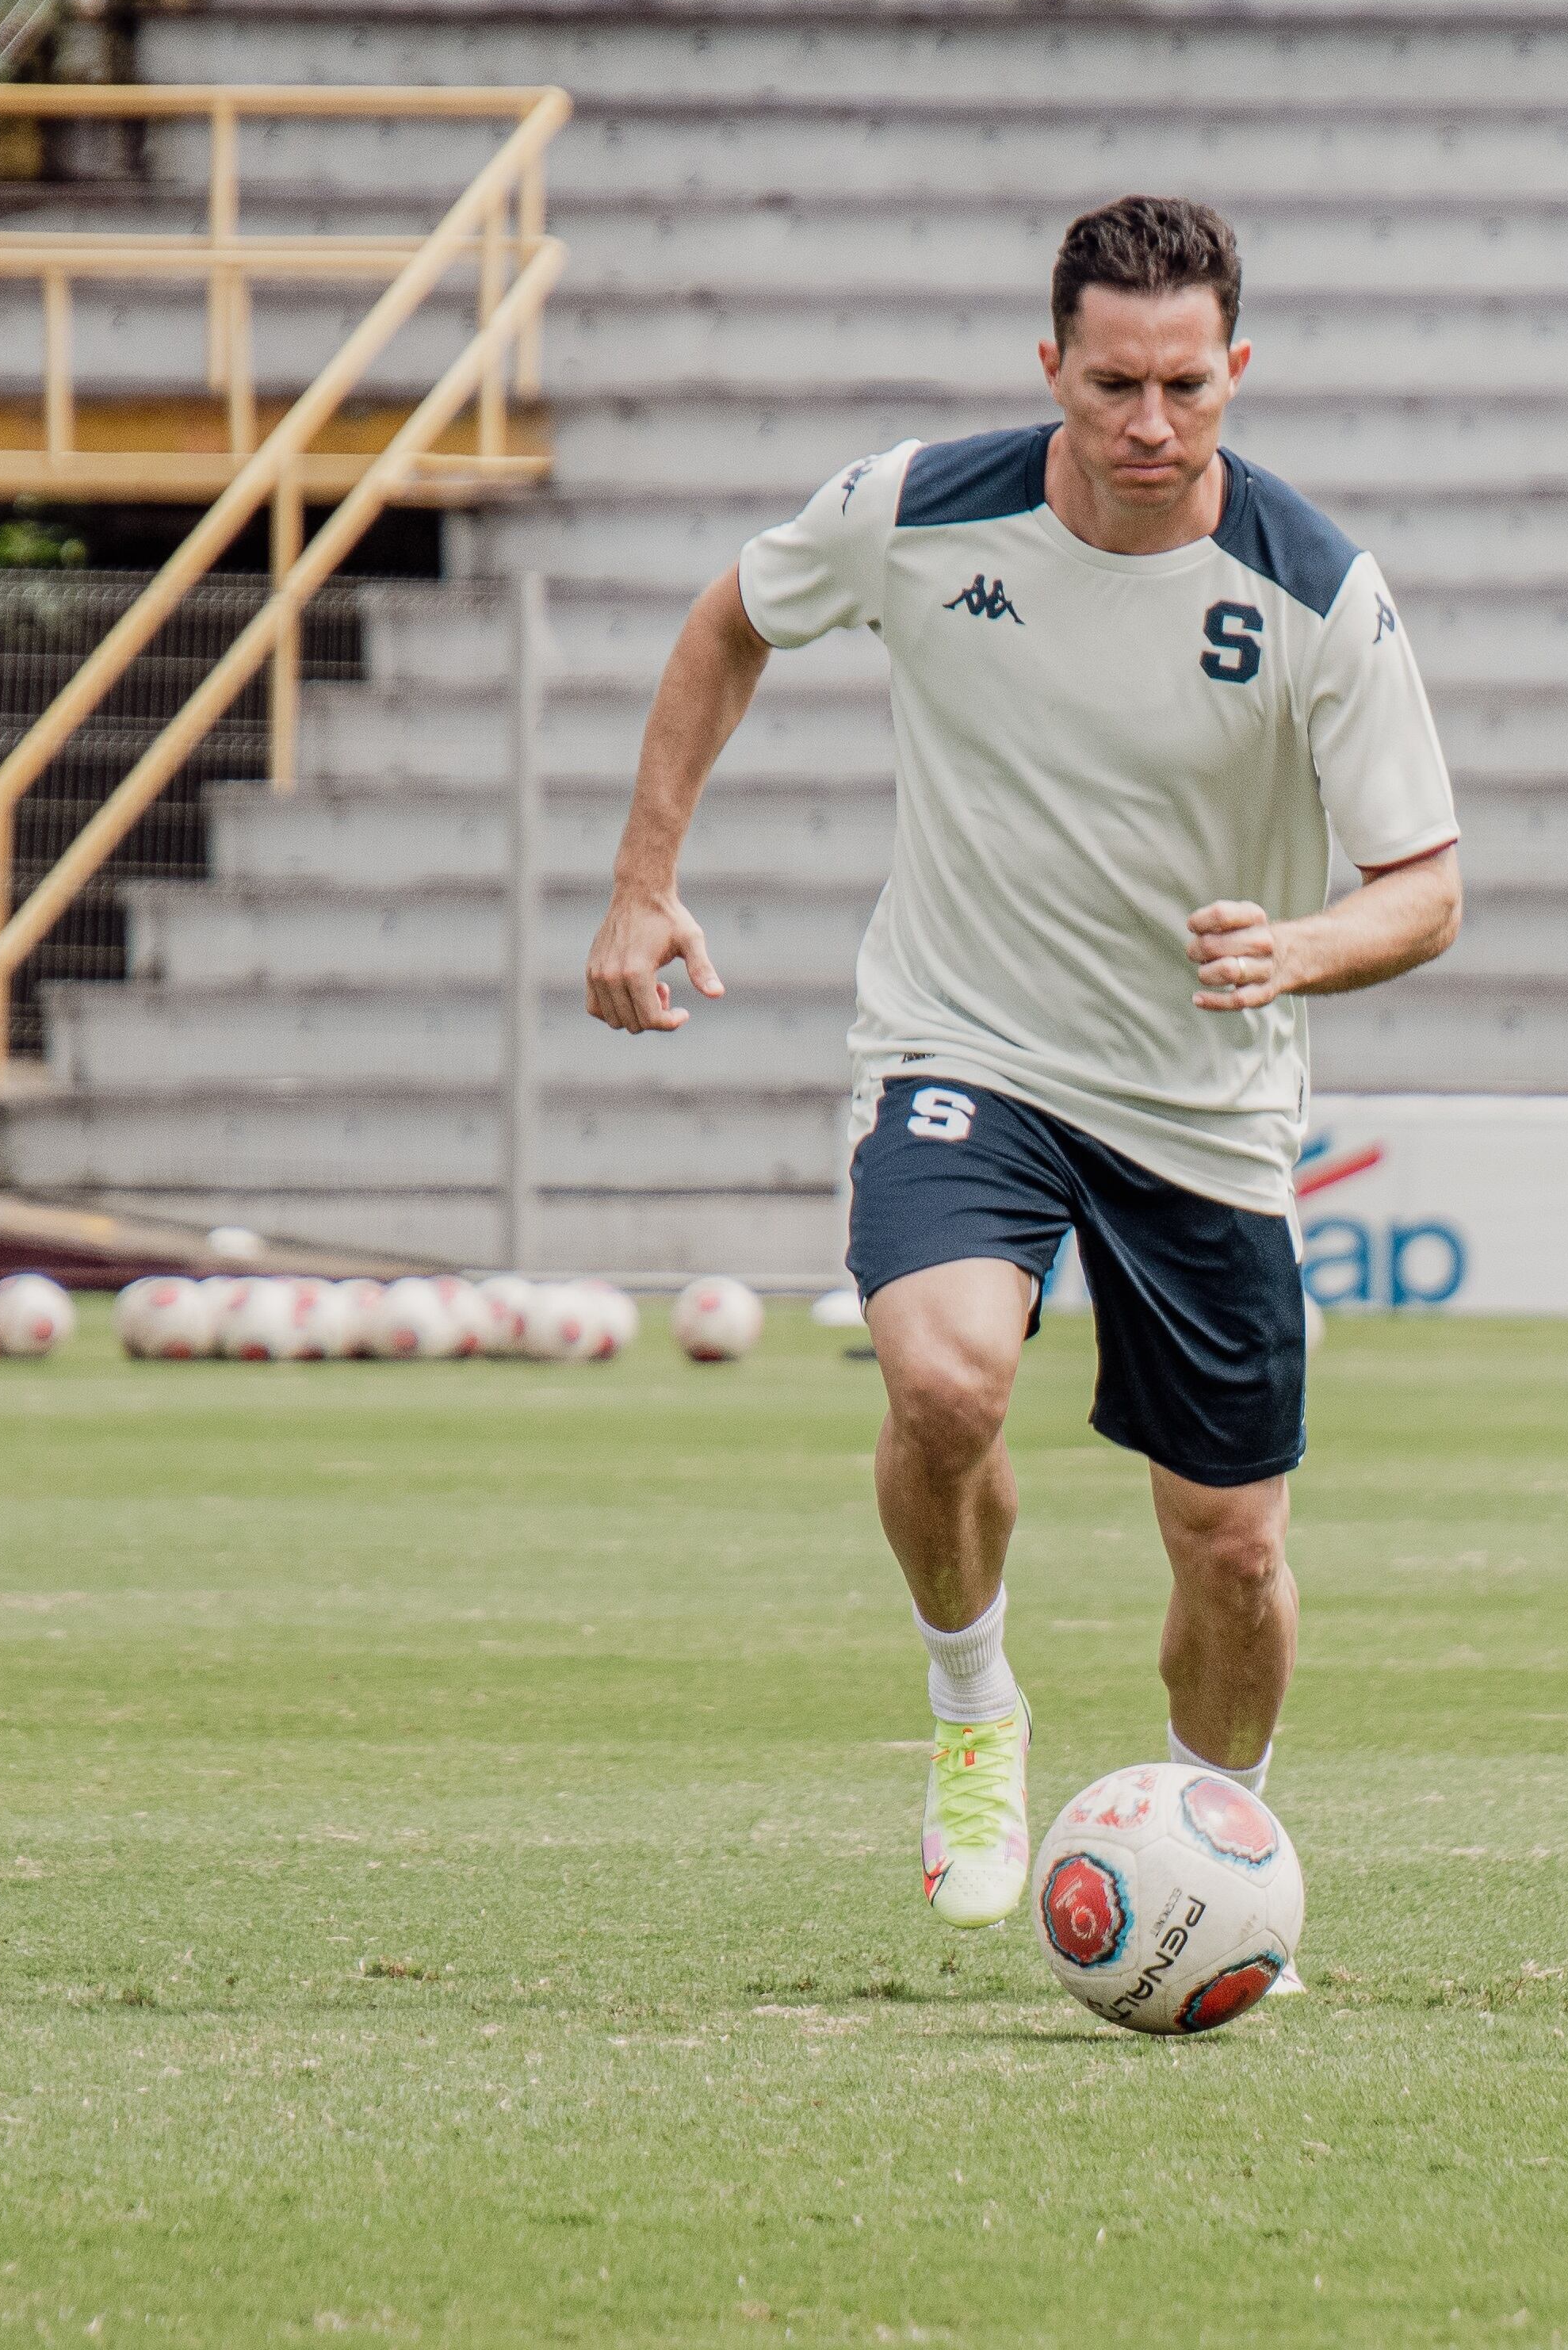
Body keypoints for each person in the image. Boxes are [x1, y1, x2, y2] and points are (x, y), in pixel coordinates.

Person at [585, 195, 1463, 1930]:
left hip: (1200, 1107)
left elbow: (1426, 889)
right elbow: (728, 621)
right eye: (1113, 385)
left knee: (1231, 1550)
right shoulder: (920, 507)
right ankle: (971, 1709)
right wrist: (640, 884)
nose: (1149, 427)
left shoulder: (1311, 591)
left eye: (1186, 389)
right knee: (945, 1382)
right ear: (1048, 365)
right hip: (961, 1044)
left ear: (1237, 373)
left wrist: (1300, 950)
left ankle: (1216, 1858)